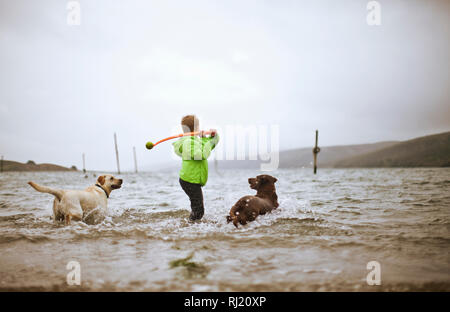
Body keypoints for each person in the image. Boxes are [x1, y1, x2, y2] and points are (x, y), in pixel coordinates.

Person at [173, 115, 219, 221]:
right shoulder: (189, 142)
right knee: (199, 211)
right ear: (196, 127)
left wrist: (214, 136)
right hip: (189, 180)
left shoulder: (193, 140)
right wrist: (204, 140)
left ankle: (192, 226)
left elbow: (210, 145)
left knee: (197, 209)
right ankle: (189, 228)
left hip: (191, 179)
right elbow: (201, 155)